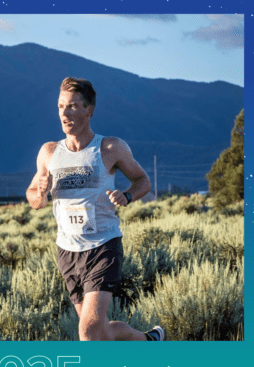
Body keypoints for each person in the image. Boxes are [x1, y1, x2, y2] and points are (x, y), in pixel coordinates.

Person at [26, 77, 165, 342]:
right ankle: (149, 341)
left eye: (73, 106)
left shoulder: (110, 148)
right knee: (99, 330)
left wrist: (127, 196)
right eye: (61, 106)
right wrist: (40, 194)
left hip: (103, 246)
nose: (65, 113)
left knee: (88, 331)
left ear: (89, 110)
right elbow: (33, 197)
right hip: (67, 251)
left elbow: (142, 181)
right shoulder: (49, 152)